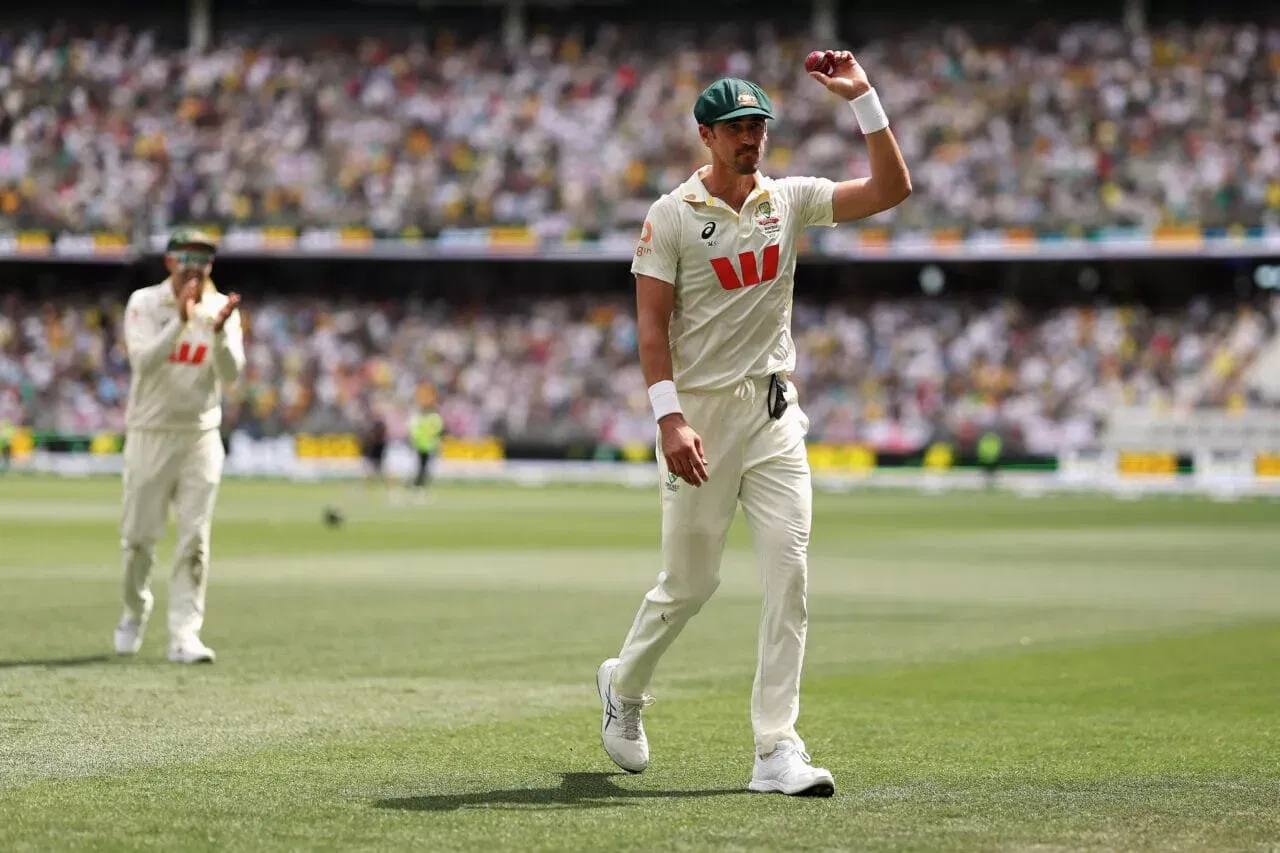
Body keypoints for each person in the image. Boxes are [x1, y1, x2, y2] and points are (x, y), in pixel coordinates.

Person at [596, 53, 911, 796]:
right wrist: (669, 421)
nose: (751, 139)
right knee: (689, 583)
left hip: (773, 413)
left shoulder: (790, 198)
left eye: (759, 126)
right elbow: (649, 329)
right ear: (706, 135)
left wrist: (863, 97)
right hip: (698, 418)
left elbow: (893, 189)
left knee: (789, 572)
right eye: (737, 127)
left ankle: (776, 747)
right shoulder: (671, 215)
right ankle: (625, 688)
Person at [113, 227, 245, 664]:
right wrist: (181, 322)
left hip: (200, 436)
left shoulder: (220, 308)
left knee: (195, 539)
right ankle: (135, 610)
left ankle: (185, 634)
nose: (197, 271)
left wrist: (221, 332)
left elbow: (231, 373)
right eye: (188, 261)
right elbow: (143, 361)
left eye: (205, 262)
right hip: (150, 433)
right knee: (138, 540)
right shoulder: (145, 303)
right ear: (170, 263)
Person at [409, 396, 445, 497]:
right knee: (423, 468)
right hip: (425, 446)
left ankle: (419, 486)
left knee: (423, 467)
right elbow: (438, 432)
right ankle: (419, 487)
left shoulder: (422, 418)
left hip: (425, 445)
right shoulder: (432, 418)